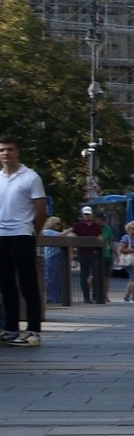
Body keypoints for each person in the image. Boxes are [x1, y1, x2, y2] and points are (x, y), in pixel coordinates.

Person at [0, 138, 45, 346]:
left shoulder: (31, 177)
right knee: (6, 284)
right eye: (2, 150)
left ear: (17, 152)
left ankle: (33, 330)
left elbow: (41, 211)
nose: (6, 153)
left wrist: (32, 232)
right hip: (1, 235)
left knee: (28, 283)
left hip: (22, 233)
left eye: (10, 149)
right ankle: (10, 328)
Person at [71, 204, 106, 303]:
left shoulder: (96, 226)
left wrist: (100, 241)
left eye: (89, 214)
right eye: (85, 214)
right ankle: (86, 297)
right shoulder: (78, 225)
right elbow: (73, 236)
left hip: (94, 253)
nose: (87, 216)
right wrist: (72, 252)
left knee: (96, 274)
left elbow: (100, 236)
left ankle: (96, 296)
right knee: (84, 275)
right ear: (82, 215)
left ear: (92, 215)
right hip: (83, 253)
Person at [115, 221, 134, 301]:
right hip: (129, 261)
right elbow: (121, 249)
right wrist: (133, 250)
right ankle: (133, 297)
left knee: (132, 279)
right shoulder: (126, 238)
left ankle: (126, 297)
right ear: (128, 229)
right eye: (133, 228)